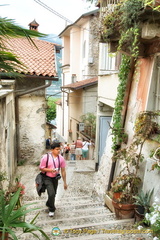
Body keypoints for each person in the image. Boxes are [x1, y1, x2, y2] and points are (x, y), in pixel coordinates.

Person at [39, 142, 67, 217]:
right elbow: (41, 168)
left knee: (53, 194)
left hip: (55, 178)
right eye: (57, 149)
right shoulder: (46, 157)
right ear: (52, 150)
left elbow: (63, 171)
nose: (59, 151)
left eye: (59, 149)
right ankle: (52, 209)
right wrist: (50, 170)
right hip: (47, 178)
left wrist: (65, 182)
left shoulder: (61, 158)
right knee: (51, 193)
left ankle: (48, 203)